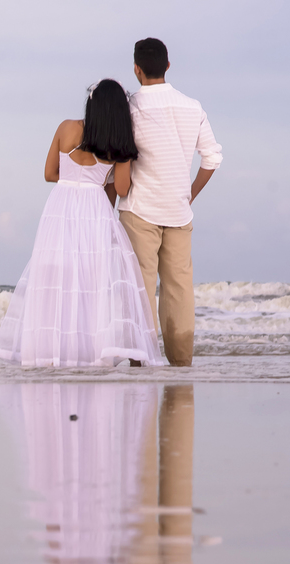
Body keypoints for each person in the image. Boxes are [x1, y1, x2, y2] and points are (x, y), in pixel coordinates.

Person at [0, 80, 165, 368]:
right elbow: (122, 189)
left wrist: (75, 178)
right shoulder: (119, 144)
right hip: (95, 209)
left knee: (55, 278)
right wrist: (107, 175)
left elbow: (50, 173)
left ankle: (52, 352)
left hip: (60, 208)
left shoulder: (67, 128)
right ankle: (88, 352)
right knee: (90, 282)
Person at [120, 38, 223, 367]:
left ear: (136, 69)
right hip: (179, 211)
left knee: (141, 288)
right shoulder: (192, 106)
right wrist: (189, 194)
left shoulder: (130, 108)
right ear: (167, 66)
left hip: (139, 209)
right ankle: (181, 362)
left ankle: (142, 361)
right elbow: (212, 158)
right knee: (179, 290)